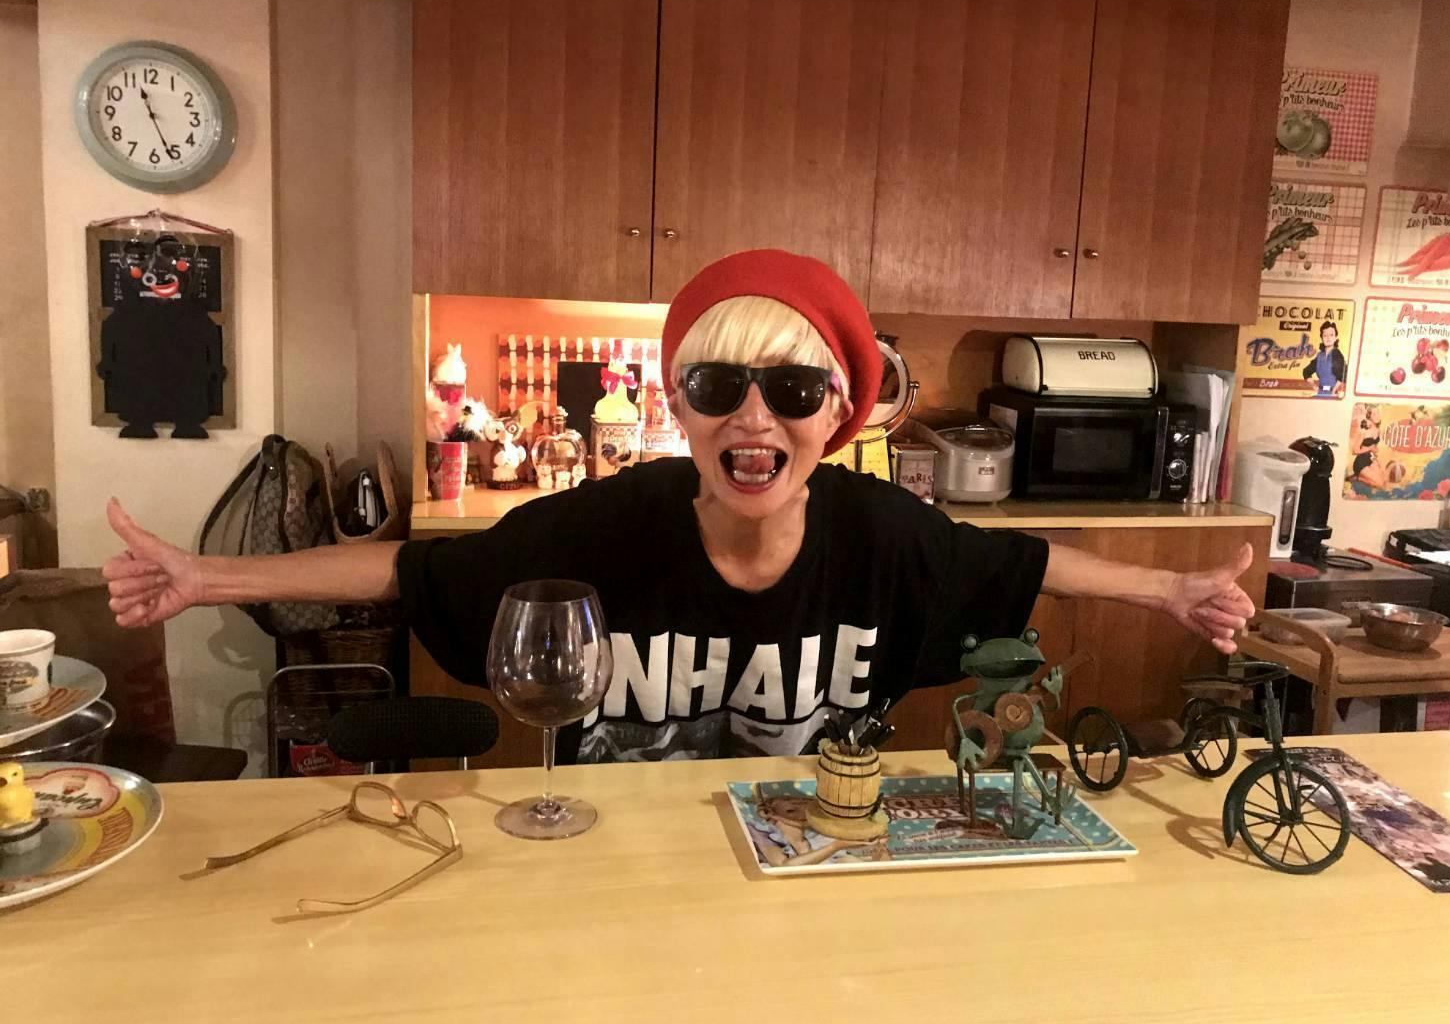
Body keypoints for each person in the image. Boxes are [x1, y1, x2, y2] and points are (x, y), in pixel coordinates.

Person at [103, 249, 1256, 762]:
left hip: (808, 851)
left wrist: (1171, 588)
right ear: (680, 404)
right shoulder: (607, 523)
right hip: (616, 861)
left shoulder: (879, 532)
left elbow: (1023, 560)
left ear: (837, 411)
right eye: (717, 387)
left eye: (791, 391)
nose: (754, 419)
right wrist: (207, 578)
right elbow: (411, 569)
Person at [1301, 320, 1345, 399]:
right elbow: (1306, 372)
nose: (1328, 338)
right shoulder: (1320, 356)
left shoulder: (1337, 355)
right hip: (1320, 393)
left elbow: (1342, 376)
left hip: (1333, 394)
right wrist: (1314, 387)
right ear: (1322, 338)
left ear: (1335, 338)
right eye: (1325, 335)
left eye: (1331, 335)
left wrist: (1333, 391)